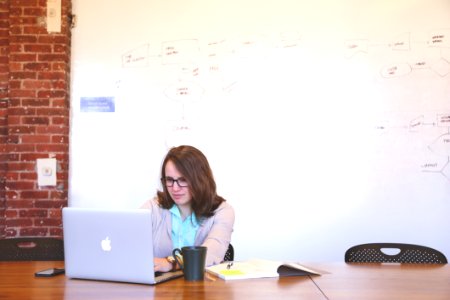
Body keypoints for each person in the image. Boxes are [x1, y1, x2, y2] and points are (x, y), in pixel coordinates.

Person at [141, 145, 235, 272]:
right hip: (159, 289)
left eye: (183, 180)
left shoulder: (223, 212)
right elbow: (129, 245)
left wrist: (172, 263)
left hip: (204, 289)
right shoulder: (153, 208)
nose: (175, 188)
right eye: (170, 180)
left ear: (200, 180)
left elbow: (212, 253)